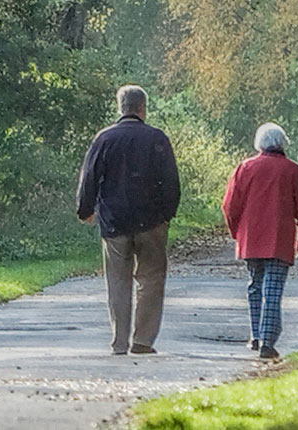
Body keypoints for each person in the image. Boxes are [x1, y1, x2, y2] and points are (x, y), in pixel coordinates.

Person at [76, 85, 181, 355]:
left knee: (118, 281)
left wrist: (85, 209)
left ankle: (119, 341)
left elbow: (89, 177)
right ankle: (143, 340)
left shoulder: (104, 139)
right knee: (151, 279)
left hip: (114, 221)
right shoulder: (157, 139)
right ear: (142, 108)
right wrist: (167, 215)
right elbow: (171, 183)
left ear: (120, 107)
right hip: (152, 222)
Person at [221, 123, 298, 359]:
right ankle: (267, 341)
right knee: (272, 290)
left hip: (251, 239)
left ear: (259, 143)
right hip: (280, 240)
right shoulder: (294, 172)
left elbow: (230, 206)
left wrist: (236, 233)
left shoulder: (245, 168)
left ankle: (256, 335)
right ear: (283, 143)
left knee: (255, 286)